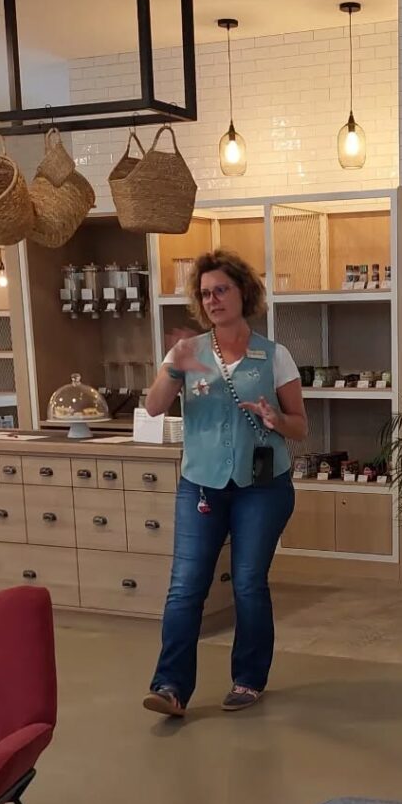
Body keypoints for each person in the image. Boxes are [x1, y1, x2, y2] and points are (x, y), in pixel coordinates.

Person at [142, 250, 307, 717]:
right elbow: (154, 407)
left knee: (248, 583)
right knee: (185, 586)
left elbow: (300, 426)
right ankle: (170, 686)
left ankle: (249, 679)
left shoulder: (274, 355)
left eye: (221, 290)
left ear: (242, 293)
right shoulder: (187, 352)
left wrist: (275, 418)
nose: (212, 299)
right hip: (201, 485)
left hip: (262, 486)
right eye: (205, 293)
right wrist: (174, 366)